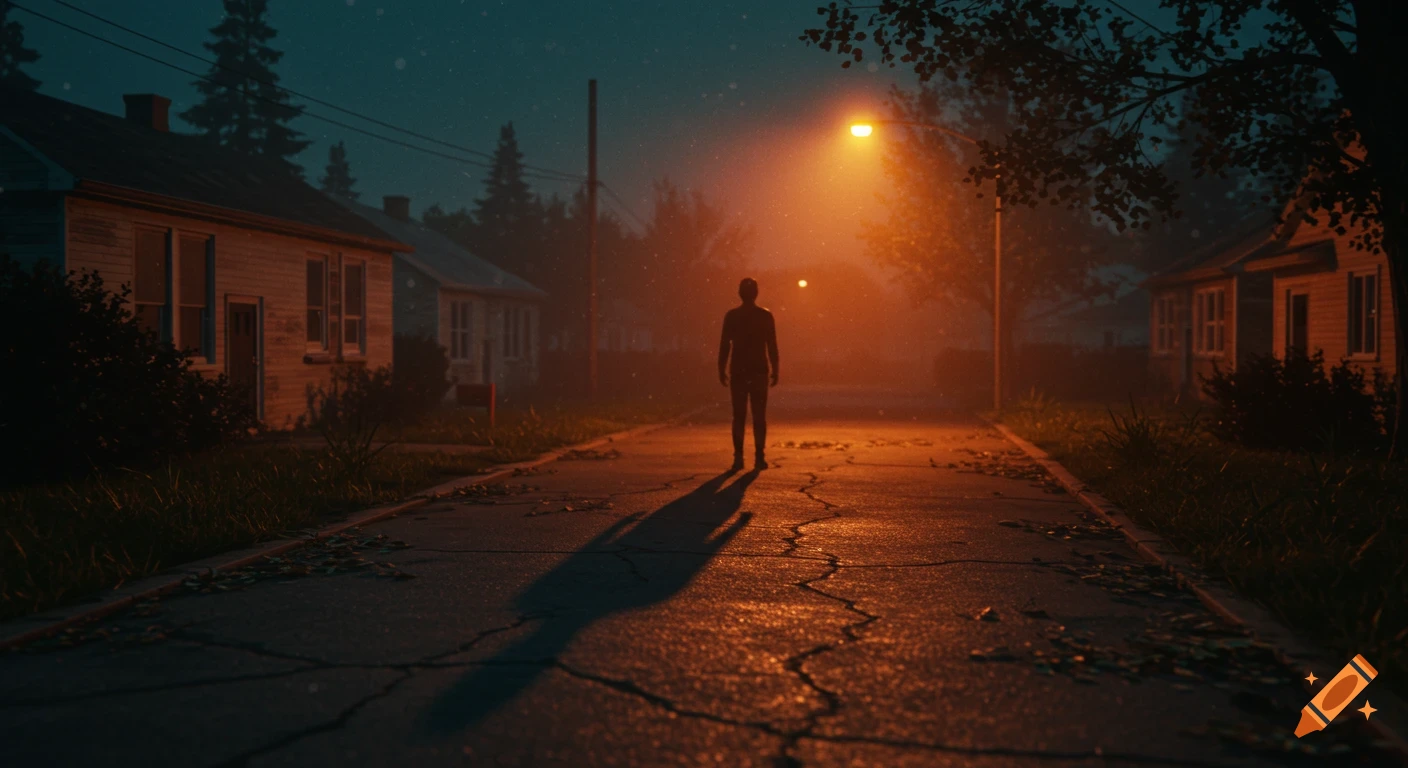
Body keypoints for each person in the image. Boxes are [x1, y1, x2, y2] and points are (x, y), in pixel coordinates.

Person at [718, 277, 779, 471]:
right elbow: (772, 345)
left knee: (739, 415)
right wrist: (775, 368)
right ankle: (759, 456)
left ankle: (738, 457)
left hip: (738, 370)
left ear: (739, 293)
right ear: (756, 293)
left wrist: (721, 367)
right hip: (759, 370)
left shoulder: (732, 316)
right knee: (759, 416)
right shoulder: (765, 316)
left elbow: (725, 345)